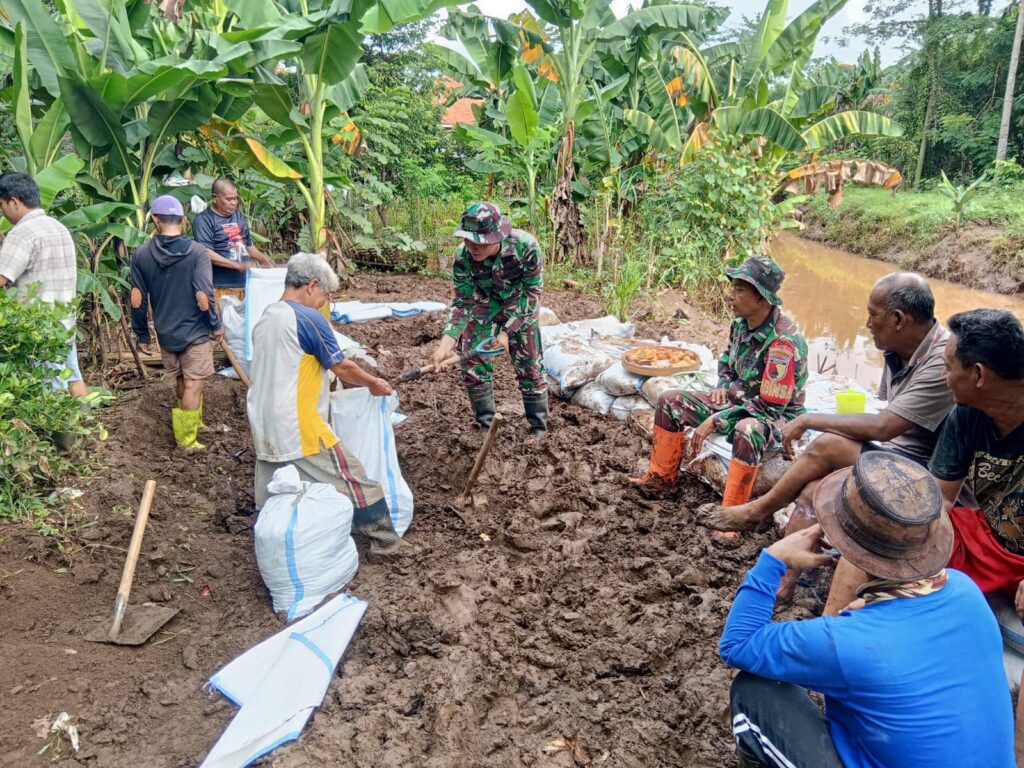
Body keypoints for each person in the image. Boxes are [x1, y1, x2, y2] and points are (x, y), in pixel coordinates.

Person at [720, 451, 1014, 768]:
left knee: (754, 692)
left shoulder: (847, 642)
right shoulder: (965, 589)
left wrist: (773, 558)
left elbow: (738, 643)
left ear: (842, 542)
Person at [704, 273, 953, 542]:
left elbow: (885, 426)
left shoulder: (943, 362)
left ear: (899, 320)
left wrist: (809, 420)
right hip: (895, 453)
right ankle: (783, 570)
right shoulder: (901, 350)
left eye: (873, 315)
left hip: (923, 472)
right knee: (812, 491)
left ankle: (756, 511)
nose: (867, 324)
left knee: (828, 445)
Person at [247, 252, 402, 552]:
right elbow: (341, 366)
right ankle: (387, 543)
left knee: (273, 495)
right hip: (299, 424)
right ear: (312, 285)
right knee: (354, 479)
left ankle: (278, 549)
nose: (324, 303)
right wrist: (373, 383)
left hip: (263, 424)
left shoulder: (266, 318)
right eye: (325, 295)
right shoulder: (309, 318)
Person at [631, 255, 807, 506]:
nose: (730, 295)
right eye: (732, 288)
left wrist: (717, 420)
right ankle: (659, 480)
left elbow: (770, 406)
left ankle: (732, 516)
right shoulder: (741, 325)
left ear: (761, 297)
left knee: (747, 430)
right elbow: (727, 362)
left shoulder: (783, 343)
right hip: (739, 400)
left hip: (775, 414)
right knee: (669, 401)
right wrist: (723, 387)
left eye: (739, 289)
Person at [428, 202, 549, 437]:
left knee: (530, 367)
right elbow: (463, 303)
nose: (472, 246)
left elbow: (532, 294)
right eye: (467, 240)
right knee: (472, 365)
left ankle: (539, 431)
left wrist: (506, 333)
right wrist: (445, 345)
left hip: (520, 307)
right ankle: (486, 428)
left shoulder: (526, 247)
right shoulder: (462, 257)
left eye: (479, 241)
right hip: (483, 307)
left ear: (497, 236)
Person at [130, 195, 223, 450]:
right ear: (184, 220)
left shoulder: (141, 254)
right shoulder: (197, 253)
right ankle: (186, 439)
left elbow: (137, 299)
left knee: (182, 378)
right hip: (195, 331)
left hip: (166, 331)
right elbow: (204, 295)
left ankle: (194, 423)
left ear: (156, 220)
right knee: (194, 383)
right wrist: (215, 325)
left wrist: (142, 336)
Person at [0, 172, 87, 398]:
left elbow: (2, 278)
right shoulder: (58, 228)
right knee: (73, 376)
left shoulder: (22, 233)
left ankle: (61, 433)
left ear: (14, 201)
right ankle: (87, 426)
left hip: (38, 329)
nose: (2, 211)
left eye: (2, 205)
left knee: (51, 388)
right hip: (64, 320)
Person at [192, 176, 274, 303]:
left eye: (235, 198)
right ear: (215, 198)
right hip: (219, 286)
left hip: (243, 284)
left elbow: (248, 246)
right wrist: (236, 265)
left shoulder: (238, 216)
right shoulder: (204, 220)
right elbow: (206, 252)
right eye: (229, 199)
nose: (234, 203)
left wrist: (264, 260)